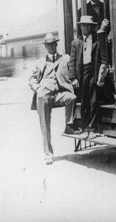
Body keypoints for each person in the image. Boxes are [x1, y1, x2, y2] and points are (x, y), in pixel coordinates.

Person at [29, 33, 79, 165]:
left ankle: (69, 125)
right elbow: (32, 79)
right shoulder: (40, 62)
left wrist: (73, 81)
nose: (51, 46)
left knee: (71, 97)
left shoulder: (66, 58)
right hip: (44, 95)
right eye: (48, 44)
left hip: (58, 93)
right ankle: (48, 153)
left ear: (56, 44)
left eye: (53, 44)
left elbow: (73, 70)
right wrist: (38, 89)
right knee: (45, 125)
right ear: (45, 47)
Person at [69, 15, 102, 137]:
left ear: (92, 27)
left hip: (92, 71)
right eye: (84, 25)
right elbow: (72, 62)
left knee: (93, 100)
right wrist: (73, 78)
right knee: (84, 101)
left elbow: (101, 58)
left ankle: (92, 128)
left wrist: (99, 74)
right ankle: (84, 128)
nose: (86, 28)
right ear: (81, 26)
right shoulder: (76, 43)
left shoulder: (96, 41)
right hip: (81, 72)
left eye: (88, 25)